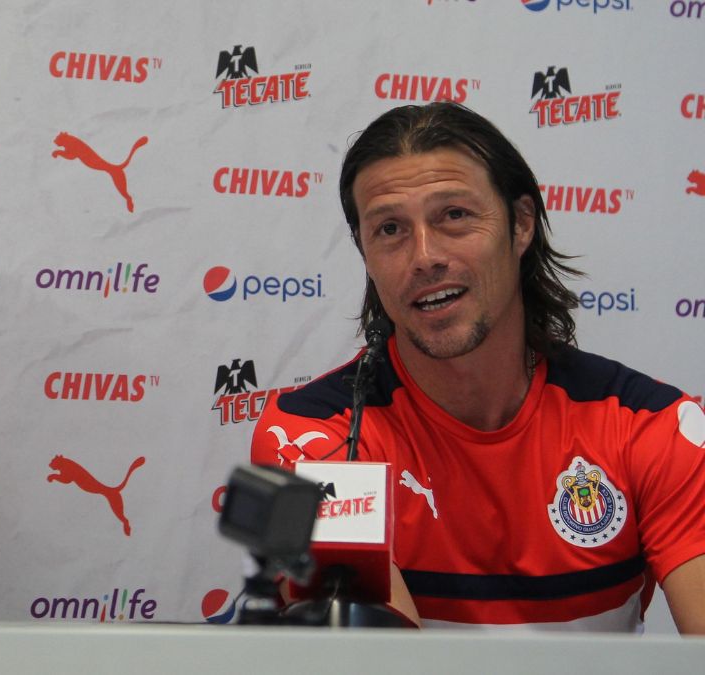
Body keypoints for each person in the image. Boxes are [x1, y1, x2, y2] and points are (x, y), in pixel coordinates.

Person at [252, 102, 705, 632]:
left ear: (520, 225)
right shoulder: (309, 438)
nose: (424, 256)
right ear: (366, 256)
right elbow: (375, 668)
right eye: (391, 228)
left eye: (455, 215)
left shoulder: (652, 425)